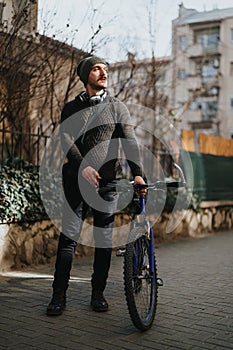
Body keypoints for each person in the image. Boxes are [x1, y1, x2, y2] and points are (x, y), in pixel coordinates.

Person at [46, 55, 145, 316]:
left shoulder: (117, 107)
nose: (103, 72)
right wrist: (84, 167)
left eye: (105, 68)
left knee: (103, 242)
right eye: (97, 68)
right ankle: (58, 296)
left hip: (107, 184)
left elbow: (130, 142)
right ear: (85, 75)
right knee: (68, 238)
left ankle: (98, 294)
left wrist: (137, 174)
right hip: (76, 181)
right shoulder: (71, 107)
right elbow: (66, 140)